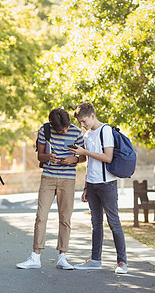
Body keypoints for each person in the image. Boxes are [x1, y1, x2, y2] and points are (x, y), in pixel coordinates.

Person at [16, 108, 86, 270]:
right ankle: (35, 257)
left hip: (68, 179)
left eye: (67, 127)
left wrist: (73, 159)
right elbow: (40, 156)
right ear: (53, 127)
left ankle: (62, 257)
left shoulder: (76, 132)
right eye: (62, 130)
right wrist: (49, 157)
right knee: (41, 216)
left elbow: (83, 157)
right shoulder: (44, 130)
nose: (65, 131)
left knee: (65, 218)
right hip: (48, 177)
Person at [71, 102, 128, 274]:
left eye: (84, 121)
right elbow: (90, 164)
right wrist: (86, 187)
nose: (83, 124)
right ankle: (95, 260)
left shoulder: (106, 131)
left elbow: (108, 157)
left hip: (107, 184)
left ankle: (122, 263)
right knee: (96, 223)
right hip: (93, 185)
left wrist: (84, 152)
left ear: (93, 116)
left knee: (114, 222)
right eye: (80, 122)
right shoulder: (87, 135)